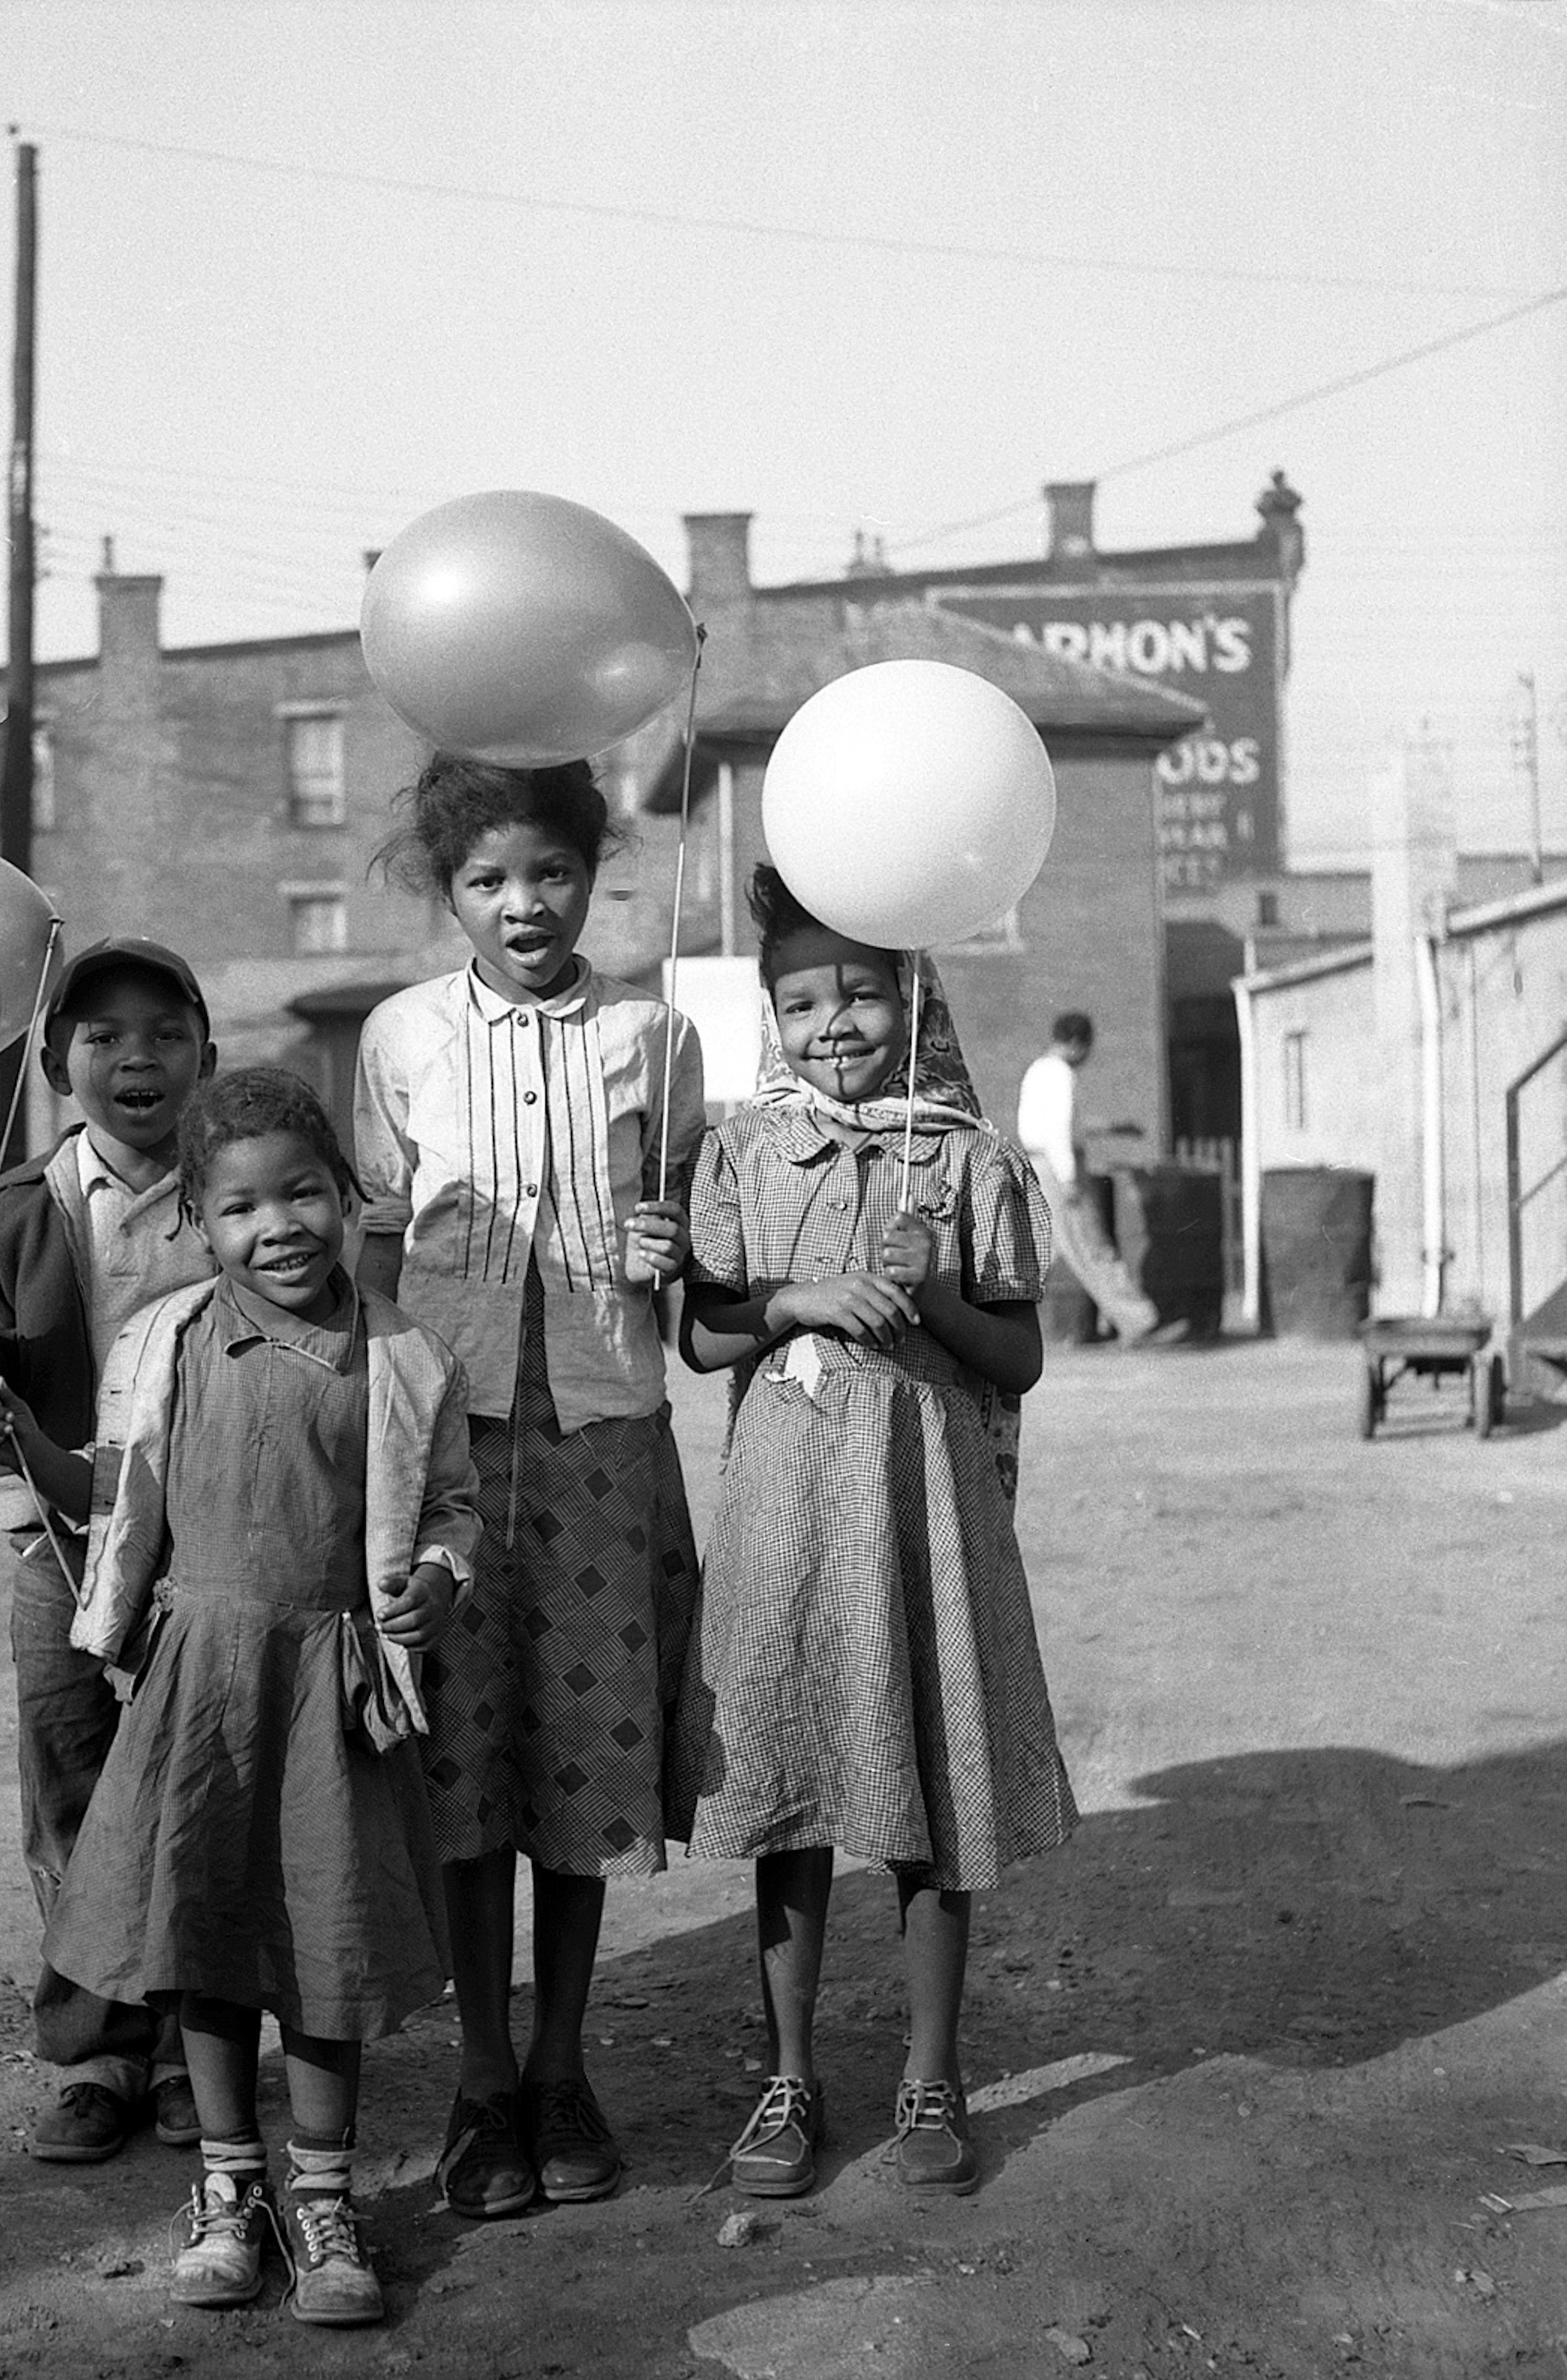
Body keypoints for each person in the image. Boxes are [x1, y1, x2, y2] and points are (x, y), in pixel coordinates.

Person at [0, 1068, 481, 2327]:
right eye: (242, 1207)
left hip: (329, 1691)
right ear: (199, 1221)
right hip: (198, 1687)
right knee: (201, 1934)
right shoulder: (165, 1342)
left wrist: (436, 1576)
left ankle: (324, 2197)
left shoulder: (405, 1357)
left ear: (348, 1195)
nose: (279, 1226)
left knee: (325, 1943)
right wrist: (21, 1443)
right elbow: (113, 1491)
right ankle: (228, 2183)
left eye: (303, 1193)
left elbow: (453, 1506)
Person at [677, 866, 1079, 2201]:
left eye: (859, 992)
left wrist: (939, 1295)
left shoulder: (966, 1158)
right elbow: (702, 1333)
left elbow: (1017, 1359)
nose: (832, 1022)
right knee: (787, 1781)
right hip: (786, 1510)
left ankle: (932, 2072)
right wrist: (793, 1300)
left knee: (928, 1775)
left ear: (912, 996)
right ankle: (790, 2075)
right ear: (770, 1014)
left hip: (925, 1507)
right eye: (801, 1001)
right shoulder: (741, 1151)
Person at [353, 755, 704, 2221]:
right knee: (461, 1762)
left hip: (607, 1436)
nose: (524, 904)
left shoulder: (654, 1036)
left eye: (551, 871)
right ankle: (482, 2078)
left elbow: (694, 1251)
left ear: (592, 872)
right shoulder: (400, 1035)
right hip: (449, 1438)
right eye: (488, 879)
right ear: (449, 891)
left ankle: (563, 2065)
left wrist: (673, 1250)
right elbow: (373, 1246)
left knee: (585, 1758)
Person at [0, 936, 218, 2164]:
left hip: (206, 1543)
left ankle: (198, 2050)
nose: (137, 1058)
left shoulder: (236, 1190)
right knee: (73, 1786)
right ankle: (100, 2052)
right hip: (57, 1539)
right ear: (53, 1065)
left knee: (195, 1787)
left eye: (166, 1033)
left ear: (206, 1056)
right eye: (103, 1037)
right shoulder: (12, 1207)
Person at [1015, 1011, 1173, 1347]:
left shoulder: (1038, 1071)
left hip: (1039, 1164)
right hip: (1059, 1167)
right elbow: (1059, 1131)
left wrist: (1114, 1129)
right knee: (1092, 1246)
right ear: (1077, 1043)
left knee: (1054, 1250)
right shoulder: (1061, 1074)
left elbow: (1064, 1126)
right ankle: (1139, 1322)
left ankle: (1023, 1323)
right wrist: (1069, 1178)